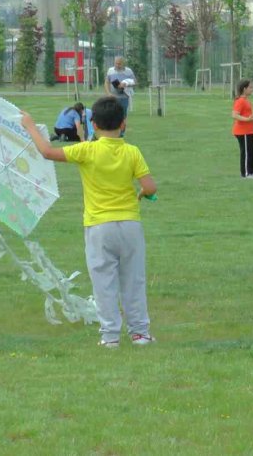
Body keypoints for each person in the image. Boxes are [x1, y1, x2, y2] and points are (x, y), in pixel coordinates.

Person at [21, 96, 157, 347]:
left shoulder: (87, 149)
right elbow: (149, 186)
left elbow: (47, 152)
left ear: (93, 125)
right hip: (130, 224)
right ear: (123, 123)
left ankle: (110, 336)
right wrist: (141, 193)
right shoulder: (132, 151)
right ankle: (140, 333)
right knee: (133, 279)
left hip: (98, 227)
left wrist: (30, 126)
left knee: (103, 281)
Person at [232, 79, 253, 179]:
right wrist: (247, 119)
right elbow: (234, 115)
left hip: (249, 131)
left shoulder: (246, 101)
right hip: (242, 132)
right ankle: (246, 174)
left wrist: (252, 118)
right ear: (244, 89)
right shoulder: (240, 101)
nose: (252, 89)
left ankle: (252, 172)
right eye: (250, 87)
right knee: (246, 152)